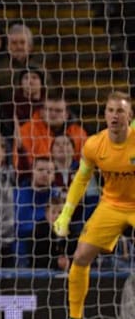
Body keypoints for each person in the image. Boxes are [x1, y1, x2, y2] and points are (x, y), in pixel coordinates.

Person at [53, 91, 135, 319]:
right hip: (111, 205)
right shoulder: (93, 145)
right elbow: (81, 179)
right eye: (110, 110)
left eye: (120, 110)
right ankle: (75, 316)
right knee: (79, 257)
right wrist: (66, 215)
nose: (114, 116)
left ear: (129, 115)